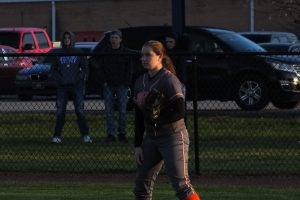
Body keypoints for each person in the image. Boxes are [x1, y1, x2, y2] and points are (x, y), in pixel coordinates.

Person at [133, 40, 200, 200]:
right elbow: (139, 115)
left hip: (173, 136)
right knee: (141, 185)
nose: (143, 58)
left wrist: (158, 119)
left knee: (182, 186)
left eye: (148, 55)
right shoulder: (139, 82)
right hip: (151, 138)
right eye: (142, 55)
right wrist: (137, 144)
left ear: (160, 56)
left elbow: (180, 111)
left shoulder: (168, 80)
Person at [51, 31, 92, 144]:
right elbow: (53, 70)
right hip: (62, 87)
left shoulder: (78, 52)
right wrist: (60, 79)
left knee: (79, 110)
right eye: (65, 38)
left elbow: (85, 69)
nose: (67, 39)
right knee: (60, 111)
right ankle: (57, 135)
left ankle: (85, 135)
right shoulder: (58, 53)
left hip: (76, 86)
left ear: (72, 39)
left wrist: (78, 79)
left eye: (69, 38)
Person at [98, 30, 133, 142]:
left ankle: (122, 133)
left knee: (122, 111)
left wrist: (126, 82)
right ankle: (111, 134)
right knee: (109, 111)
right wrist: (104, 81)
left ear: (120, 39)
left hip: (122, 85)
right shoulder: (105, 51)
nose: (113, 39)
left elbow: (129, 69)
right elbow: (101, 67)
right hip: (109, 84)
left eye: (116, 37)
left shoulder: (126, 53)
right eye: (112, 37)